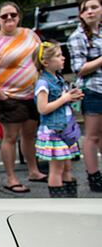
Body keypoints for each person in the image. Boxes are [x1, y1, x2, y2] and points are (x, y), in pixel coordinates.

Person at [0, 1, 46, 193]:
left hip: (32, 95)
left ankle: (34, 170)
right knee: (10, 137)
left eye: (13, 15)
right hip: (9, 96)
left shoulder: (30, 35)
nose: (9, 19)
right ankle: (11, 177)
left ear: (19, 16)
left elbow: (41, 57)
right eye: (4, 16)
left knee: (29, 135)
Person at [33, 42, 83, 197]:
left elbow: (60, 101)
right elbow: (43, 108)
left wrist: (71, 98)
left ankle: (70, 201)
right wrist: (65, 98)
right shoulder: (43, 83)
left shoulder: (58, 79)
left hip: (65, 129)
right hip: (54, 130)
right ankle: (59, 203)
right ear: (45, 62)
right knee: (56, 169)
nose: (63, 58)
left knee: (67, 167)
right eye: (58, 56)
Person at [67, 0, 102, 192]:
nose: (89, 11)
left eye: (94, 7)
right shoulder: (77, 36)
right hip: (93, 90)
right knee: (92, 136)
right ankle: (93, 176)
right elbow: (79, 68)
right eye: (85, 9)